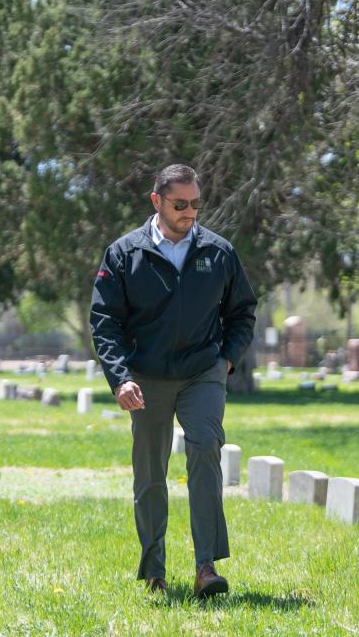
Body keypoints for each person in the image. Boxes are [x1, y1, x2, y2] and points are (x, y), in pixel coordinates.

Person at [89, 164, 257, 598]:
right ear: (156, 201)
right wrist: (119, 378)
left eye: (196, 203)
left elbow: (242, 311)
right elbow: (104, 320)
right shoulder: (124, 254)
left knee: (204, 449)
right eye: (180, 204)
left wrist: (226, 360)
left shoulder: (218, 252)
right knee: (149, 474)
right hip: (145, 376)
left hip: (203, 371)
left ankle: (206, 567)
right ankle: (154, 571)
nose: (190, 212)